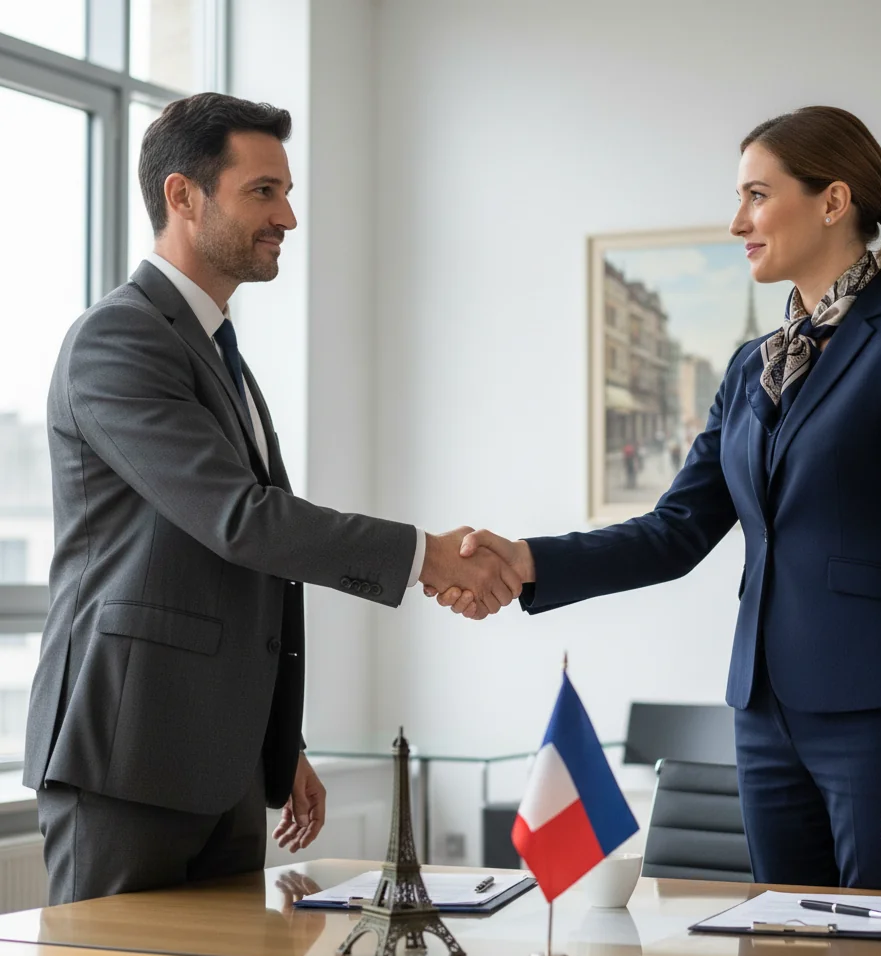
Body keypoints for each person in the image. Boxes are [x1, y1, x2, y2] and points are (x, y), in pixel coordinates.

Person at [430, 106, 881, 892]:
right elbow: (677, 530)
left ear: (833, 202)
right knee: (779, 952)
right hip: (762, 719)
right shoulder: (750, 366)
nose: (738, 222)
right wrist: (526, 561)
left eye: (757, 196)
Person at [25, 92, 521, 905]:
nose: (287, 216)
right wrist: (424, 555)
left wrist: (278, 743)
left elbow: (225, 569)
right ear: (183, 196)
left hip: (218, 765)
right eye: (264, 191)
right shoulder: (117, 338)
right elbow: (240, 521)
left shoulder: (216, 349)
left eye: (286, 192)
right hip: (128, 755)